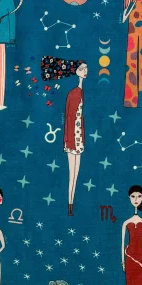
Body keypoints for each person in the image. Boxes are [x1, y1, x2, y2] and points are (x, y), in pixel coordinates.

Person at [41, 57, 89, 216]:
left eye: (86, 69)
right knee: (71, 174)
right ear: (76, 71)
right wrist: (68, 141)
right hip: (72, 140)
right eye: (82, 69)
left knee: (76, 174)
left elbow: (79, 119)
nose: (85, 71)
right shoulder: (74, 93)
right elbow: (69, 118)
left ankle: (71, 205)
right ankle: (69, 205)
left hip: (78, 140)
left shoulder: (80, 92)